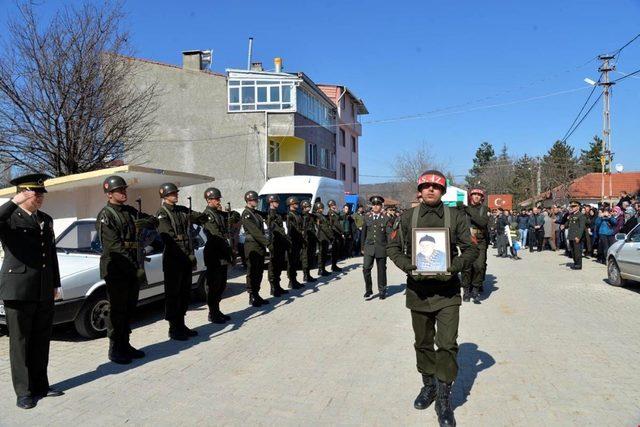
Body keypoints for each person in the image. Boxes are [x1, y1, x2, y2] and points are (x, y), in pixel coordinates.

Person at [387, 170, 477, 426]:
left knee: (447, 344)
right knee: (423, 343)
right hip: (418, 291)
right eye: (425, 186)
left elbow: (470, 248)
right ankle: (429, 385)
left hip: (447, 291)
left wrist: (454, 266)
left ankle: (444, 398)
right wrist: (408, 266)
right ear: (420, 190)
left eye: (435, 187)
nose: (430, 190)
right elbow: (393, 247)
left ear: (443, 191)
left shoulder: (456, 217)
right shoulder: (408, 216)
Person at [0, 174, 64, 409]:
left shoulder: (45, 219)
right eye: (34, 193)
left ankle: (41, 385)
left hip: (43, 288)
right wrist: (12, 202)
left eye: (41, 194)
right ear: (22, 193)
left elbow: (51, 254)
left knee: (41, 340)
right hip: (18, 289)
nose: (39, 198)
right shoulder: (10, 217)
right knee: (20, 342)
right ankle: (24, 391)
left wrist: (55, 283)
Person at [97, 176, 159, 364]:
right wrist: (134, 268)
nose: (124, 193)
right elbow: (113, 246)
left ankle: (126, 344)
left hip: (132, 265)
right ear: (109, 194)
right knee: (117, 310)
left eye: (124, 190)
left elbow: (154, 221)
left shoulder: (131, 211)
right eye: (119, 190)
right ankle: (115, 348)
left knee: (130, 308)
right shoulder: (106, 215)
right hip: (117, 268)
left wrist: (147, 223)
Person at [156, 183, 208, 340]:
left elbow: (200, 218)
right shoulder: (162, 213)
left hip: (185, 258)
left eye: (176, 192)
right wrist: (186, 255)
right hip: (173, 260)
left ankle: (182, 324)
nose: (175, 195)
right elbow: (169, 238)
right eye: (172, 193)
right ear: (165, 196)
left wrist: (202, 215)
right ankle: (174, 328)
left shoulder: (181, 210)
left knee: (185, 293)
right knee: (173, 295)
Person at [202, 187, 233, 324]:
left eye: (219, 198)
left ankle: (217, 310)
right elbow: (216, 235)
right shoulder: (207, 215)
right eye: (216, 199)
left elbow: (226, 228)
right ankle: (212, 313)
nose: (218, 201)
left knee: (221, 284)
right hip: (213, 253)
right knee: (214, 285)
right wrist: (227, 251)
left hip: (221, 252)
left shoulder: (218, 214)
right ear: (209, 200)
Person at [241, 191, 271, 307]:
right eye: (255, 200)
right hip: (252, 246)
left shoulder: (256, 213)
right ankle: (252, 295)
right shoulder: (246, 214)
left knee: (259, 271)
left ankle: (256, 294)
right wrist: (267, 243)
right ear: (249, 200)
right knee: (252, 271)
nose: (257, 202)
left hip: (259, 246)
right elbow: (255, 232)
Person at [361, 196, 392, 299]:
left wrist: (389, 248)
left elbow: (389, 235)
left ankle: (382, 291)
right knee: (366, 269)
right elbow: (363, 234)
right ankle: (368, 290)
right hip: (369, 247)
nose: (375, 206)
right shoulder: (367, 217)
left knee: (381, 270)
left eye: (377, 204)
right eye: (373, 204)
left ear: (381, 206)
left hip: (381, 248)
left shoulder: (386, 218)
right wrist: (362, 247)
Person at [461, 188, 488, 304]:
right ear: (470, 196)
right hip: (467, 241)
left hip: (480, 241)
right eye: (474, 194)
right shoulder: (463, 209)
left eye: (479, 195)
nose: (476, 196)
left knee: (479, 265)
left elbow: (482, 222)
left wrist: (469, 210)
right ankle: (466, 290)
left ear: (482, 198)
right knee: (467, 267)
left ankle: (476, 289)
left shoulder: (484, 209)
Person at [265, 195, 293, 297]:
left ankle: (277, 285)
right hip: (274, 243)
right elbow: (270, 230)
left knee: (279, 265)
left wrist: (286, 241)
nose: (278, 203)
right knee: (273, 266)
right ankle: (273, 287)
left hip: (280, 243)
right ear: (271, 202)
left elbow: (281, 229)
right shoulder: (268, 215)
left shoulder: (277, 215)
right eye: (276, 202)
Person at [285, 196, 306, 288]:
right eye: (295, 203)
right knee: (291, 262)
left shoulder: (297, 214)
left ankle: (294, 280)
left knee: (296, 261)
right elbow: (291, 229)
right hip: (292, 241)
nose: (297, 205)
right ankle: (291, 281)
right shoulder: (289, 215)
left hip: (297, 241)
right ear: (291, 204)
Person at [300, 200, 318, 282]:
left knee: (310, 257)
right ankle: (306, 275)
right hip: (306, 239)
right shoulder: (303, 216)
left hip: (311, 239)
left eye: (309, 206)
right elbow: (303, 229)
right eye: (308, 206)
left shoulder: (310, 215)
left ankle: (308, 274)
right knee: (305, 258)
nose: (309, 208)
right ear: (304, 207)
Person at [314, 201, 332, 276]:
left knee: (324, 254)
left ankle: (322, 269)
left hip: (324, 237)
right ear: (318, 209)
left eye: (322, 208)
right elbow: (324, 227)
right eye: (321, 208)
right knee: (321, 254)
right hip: (321, 237)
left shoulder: (321, 216)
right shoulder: (317, 216)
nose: (322, 209)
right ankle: (321, 270)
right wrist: (330, 235)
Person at [566, 201, 586, 270]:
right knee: (573, 251)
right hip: (571, 236)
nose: (572, 208)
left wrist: (578, 237)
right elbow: (569, 225)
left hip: (576, 236)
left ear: (578, 207)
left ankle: (578, 265)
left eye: (574, 206)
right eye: (572, 206)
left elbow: (581, 227)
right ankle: (575, 263)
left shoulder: (581, 215)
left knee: (577, 251)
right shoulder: (572, 215)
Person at [326, 200, 344, 272]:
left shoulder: (334, 212)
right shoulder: (331, 213)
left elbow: (340, 218)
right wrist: (342, 231)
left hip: (337, 233)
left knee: (336, 250)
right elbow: (336, 224)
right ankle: (333, 266)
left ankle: (334, 265)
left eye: (334, 204)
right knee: (334, 250)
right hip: (334, 233)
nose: (334, 206)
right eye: (332, 205)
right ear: (330, 206)